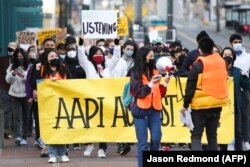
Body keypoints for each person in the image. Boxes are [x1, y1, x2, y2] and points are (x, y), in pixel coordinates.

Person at [180, 37, 230, 151]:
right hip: (217, 104)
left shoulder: (197, 65)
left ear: (200, 50)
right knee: (212, 137)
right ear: (212, 49)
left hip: (200, 107)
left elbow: (190, 88)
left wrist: (185, 105)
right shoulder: (221, 62)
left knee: (196, 136)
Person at [130, 47, 170, 167]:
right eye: (150, 57)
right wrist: (151, 83)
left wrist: (165, 83)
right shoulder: (135, 72)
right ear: (143, 58)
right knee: (142, 144)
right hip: (141, 110)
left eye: (153, 57)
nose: (153, 59)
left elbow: (159, 93)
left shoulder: (156, 71)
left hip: (155, 110)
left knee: (156, 140)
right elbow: (138, 92)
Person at [36, 48, 71, 163]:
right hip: (48, 104)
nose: (54, 58)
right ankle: (52, 154)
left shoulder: (64, 68)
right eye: (51, 56)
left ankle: (62, 153)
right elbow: (37, 84)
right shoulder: (41, 69)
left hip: (62, 103)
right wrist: (48, 82)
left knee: (61, 128)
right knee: (51, 128)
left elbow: (71, 83)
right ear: (47, 59)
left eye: (55, 56)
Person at [229, 34, 250, 151]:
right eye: (235, 42)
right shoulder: (230, 56)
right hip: (232, 92)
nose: (237, 43)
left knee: (245, 116)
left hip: (244, 90)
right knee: (235, 117)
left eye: (239, 41)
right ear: (231, 43)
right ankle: (235, 140)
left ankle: (246, 140)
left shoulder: (248, 57)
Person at [5, 48, 30, 146]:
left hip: (26, 95)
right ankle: (18, 136)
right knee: (16, 117)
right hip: (14, 94)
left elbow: (30, 78)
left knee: (26, 116)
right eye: (18, 57)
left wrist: (23, 74)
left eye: (22, 56)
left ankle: (24, 136)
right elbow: (8, 80)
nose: (20, 58)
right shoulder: (11, 66)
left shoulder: (29, 66)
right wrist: (13, 74)